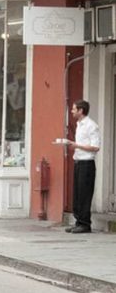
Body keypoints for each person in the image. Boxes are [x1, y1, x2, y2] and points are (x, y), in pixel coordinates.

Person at [66, 100, 101, 234]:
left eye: (74, 109)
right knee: (77, 194)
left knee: (85, 194)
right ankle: (78, 222)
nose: (72, 111)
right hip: (78, 162)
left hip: (87, 164)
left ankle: (85, 224)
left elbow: (96, 147)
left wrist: (76, 145)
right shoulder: (79, 124)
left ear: (81, 111)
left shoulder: (91, 126)